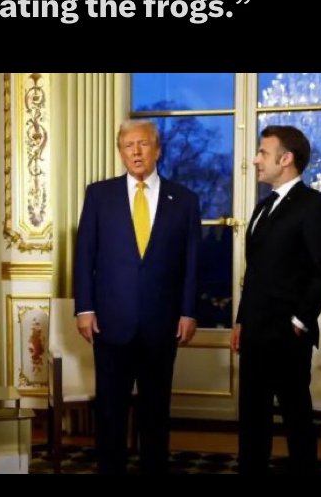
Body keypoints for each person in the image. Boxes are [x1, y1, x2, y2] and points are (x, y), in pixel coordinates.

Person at [74, 119, 201, 474]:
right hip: (110, 323)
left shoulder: (185, 200)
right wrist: (84, 308)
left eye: (143, 144)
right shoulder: (99, 195)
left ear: (157, 149)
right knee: (110, 410)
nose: (136, 151)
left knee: (156, 411)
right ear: (120, 152)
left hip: (162, 324)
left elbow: (192, 263)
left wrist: (188, 312)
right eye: (128, 145)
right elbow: (84, 255)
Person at [231, 125, 321, 474]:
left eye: (263, 152)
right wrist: (241, 321)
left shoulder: (315, 205)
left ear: (286, 159)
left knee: (296, 418)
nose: (255, 160)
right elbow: (255, 273)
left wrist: (299, 321)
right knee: (252, 418)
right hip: (254, 331)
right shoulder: (263, 207)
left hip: (288, 335)